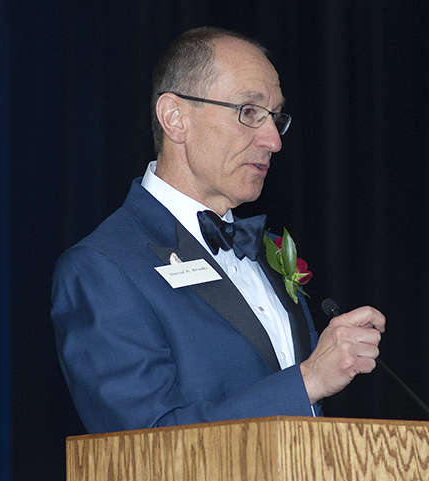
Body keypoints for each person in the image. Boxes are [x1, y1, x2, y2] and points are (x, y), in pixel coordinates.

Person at [51, 27, 385, 434]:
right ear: (175, 118)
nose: (273, 141)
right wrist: (309, 379)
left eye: (275, 118)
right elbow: (146, 441)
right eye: (249, 111)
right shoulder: (101, 268)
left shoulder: (266, 249)